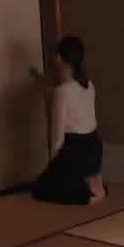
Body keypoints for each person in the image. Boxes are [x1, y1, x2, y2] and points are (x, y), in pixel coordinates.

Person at [31, 36, 107, 205]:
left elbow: (58, 137)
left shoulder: (62, 92)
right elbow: (62, 94)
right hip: (94, 150)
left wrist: (53, 163)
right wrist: (40, 81)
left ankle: (90, 194)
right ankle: (93, 181)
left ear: (58, 58)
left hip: (75, 152)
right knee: (63, 181)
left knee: (40, 190)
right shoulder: (89, 85)